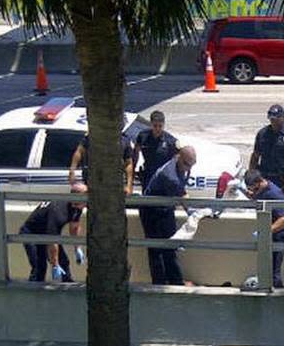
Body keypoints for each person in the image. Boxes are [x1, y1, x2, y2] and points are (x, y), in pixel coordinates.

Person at [141, 146, 197, 285]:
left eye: (192, 165)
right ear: (180, 158)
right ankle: (162, 284)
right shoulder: (169, 175)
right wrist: (193, 212)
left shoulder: (179, 163)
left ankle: (174, 281)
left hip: (165, 209)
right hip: (151, 211)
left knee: (170, 247)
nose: (189, 168)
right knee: (157, 250)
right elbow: (182, 195)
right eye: (187, 165)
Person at [19, 184, 87, 282]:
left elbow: (74, 227)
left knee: (64, 262)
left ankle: (67, 286)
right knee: (39, 266)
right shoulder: (59, 210)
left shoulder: (77, 207)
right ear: (76, 197)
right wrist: (55, 264)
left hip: (48, 233)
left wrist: (77, 248)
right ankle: (34, 293)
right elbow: (52, 240)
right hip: (31, 232)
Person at [244, 168, 284, 288]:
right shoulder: (262, 190)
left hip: (280, 235)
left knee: (274, 272)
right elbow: (258, 197)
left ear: (260, 182)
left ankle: (277, 296)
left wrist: (266, 231)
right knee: (266, 269)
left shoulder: (273, 193)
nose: (252, 191)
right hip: (269, 235)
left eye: (253, 188)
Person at [249, 104, 284, 198]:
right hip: (264, 178)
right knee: (263, 209)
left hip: (282, 179)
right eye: (271, 119)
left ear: (282, 118)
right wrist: (251, 176)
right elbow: (255, 155)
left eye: (276, 119)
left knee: (281, 209)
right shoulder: (262, 134)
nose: (273, 122)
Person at [69, 133, 136, 194]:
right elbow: (80, 151)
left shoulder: (124, 140)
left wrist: (129, 185)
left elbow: (128, 163)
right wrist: (72, 171)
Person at [132, 110, 179, 194]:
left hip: (164, 177)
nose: (157, 128)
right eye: (155, 126)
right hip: (148, 175)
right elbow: (136, 153)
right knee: (147, 202)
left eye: (160, 126)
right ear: (151, 124)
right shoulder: (143, 136)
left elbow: (177, 159)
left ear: (164, 125)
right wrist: (133, 170)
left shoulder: (170, 141)